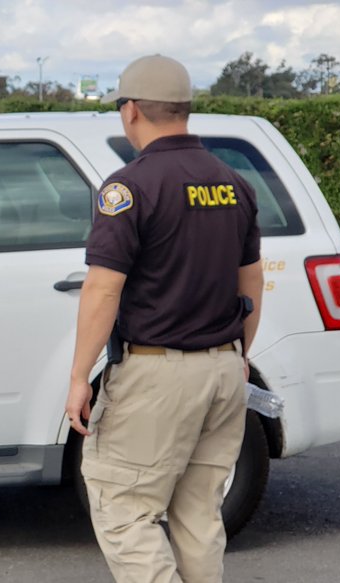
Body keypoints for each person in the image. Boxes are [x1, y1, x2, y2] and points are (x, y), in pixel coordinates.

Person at [65, 54, 265, 583]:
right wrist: (240, 355)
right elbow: (252, 281)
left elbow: (104, 289)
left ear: (131, 110)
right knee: (198, 514)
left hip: (157, 376)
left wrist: (77, 379)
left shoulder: (128, 188)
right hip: (224, 372)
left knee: (122, 507)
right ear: (185, 110)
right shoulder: (233, 184)